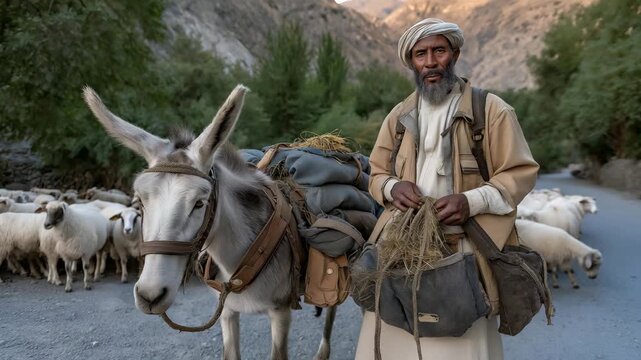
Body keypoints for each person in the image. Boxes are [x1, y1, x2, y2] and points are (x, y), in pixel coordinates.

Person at [355, 18, 539, 360]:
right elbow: (375, 173)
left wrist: (471, 201)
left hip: (464, 251)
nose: (430, 62)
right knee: (393, 333)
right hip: (402, 248)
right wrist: (393, 188)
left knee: (460, 342)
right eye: (421, 54)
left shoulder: (491, 110)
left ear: (454, 54)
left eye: (439, 50)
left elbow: (520, 172)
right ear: (411, 62)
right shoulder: (398, 117)